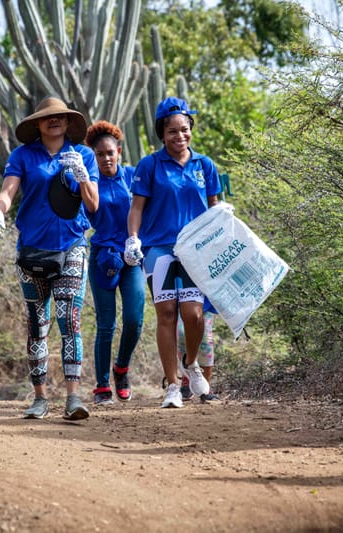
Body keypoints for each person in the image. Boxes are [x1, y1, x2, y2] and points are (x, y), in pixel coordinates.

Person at [0, 96, 99, 421]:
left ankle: (73, 397)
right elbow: (8, 191)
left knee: (70, 320)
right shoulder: (23, 155)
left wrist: (80, 174)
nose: (54, 121)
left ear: (67, 122)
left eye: (60, 117)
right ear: (37, 124)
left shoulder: (85, 155)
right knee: (38, 323)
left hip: (72, 246)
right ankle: (39, 399)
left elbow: (93, 205)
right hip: (32, 249)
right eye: (48, 118)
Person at [125, 96, 222, 408]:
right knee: (166, 313)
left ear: (191, 129)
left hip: (195, 250)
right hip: (160, 249)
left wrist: (220, 239)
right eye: (172, 132)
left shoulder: (204, 165)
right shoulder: (150, 165)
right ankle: (172, 386)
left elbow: (215, 208)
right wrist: (133, 238)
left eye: (184, 130)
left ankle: (190, 365)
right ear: (161, 134)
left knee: (193, 315)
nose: (180, 136)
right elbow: (136, 207)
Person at [83, 121, 145, 405]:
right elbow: (86, 213)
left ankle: (121, 368)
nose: (106, 158)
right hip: (102, 257)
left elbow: (148, 209)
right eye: (100, 154)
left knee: (134, 320)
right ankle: (102, 385)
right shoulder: (89, 183)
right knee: (106, 323)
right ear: (93, 156)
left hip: (131, 257)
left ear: (119, 151)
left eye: (110, 152)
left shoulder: (133, 177)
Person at [177, 310, 218, 401]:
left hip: (204, 299)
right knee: (182, 333)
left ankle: (206, 388)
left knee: (205, 338)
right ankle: (187, 378)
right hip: (178, 299)